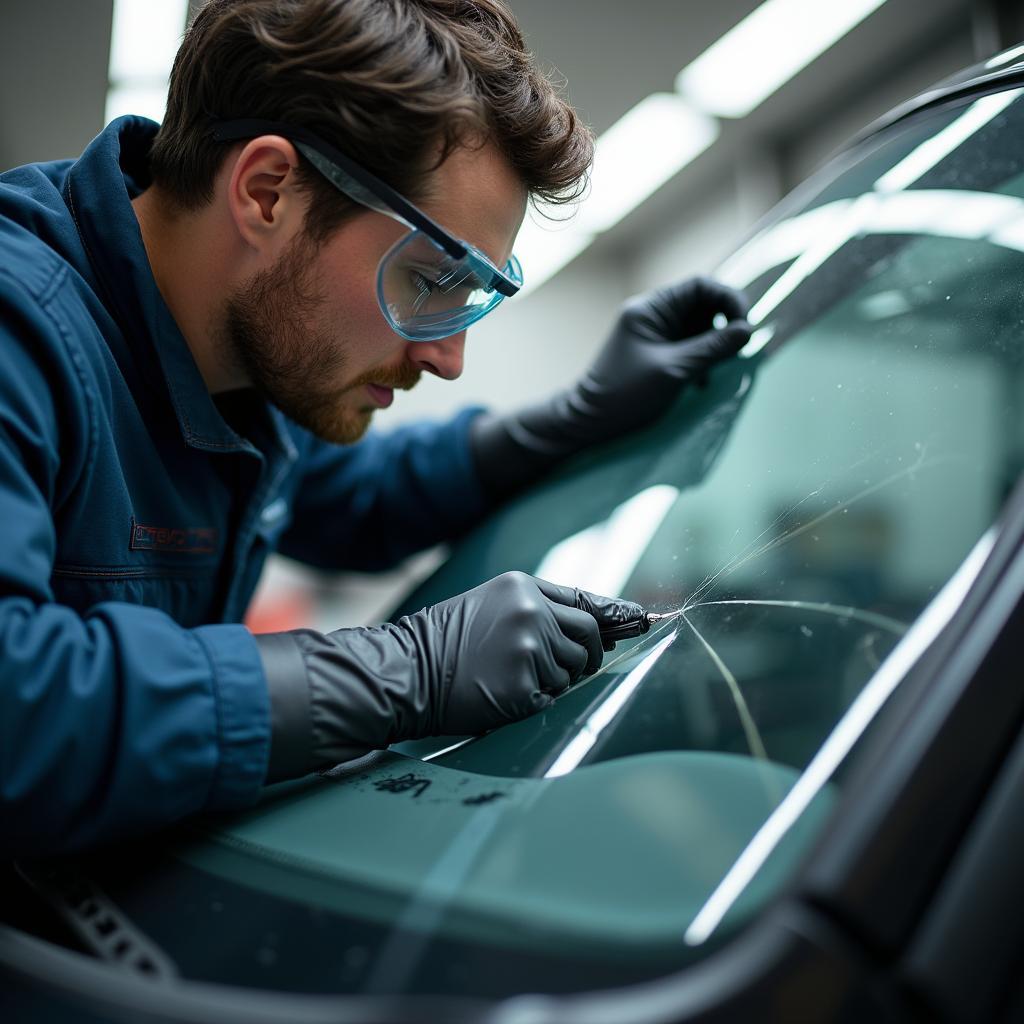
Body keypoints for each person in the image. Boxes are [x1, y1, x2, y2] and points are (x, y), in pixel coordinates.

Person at [0, 0, 750, 856]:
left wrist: (570, 420)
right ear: (267, 191)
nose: (449, 360)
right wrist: (402, 673)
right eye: (431, 280)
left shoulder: (243, 368)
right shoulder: (19, 324)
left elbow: (354, 495)